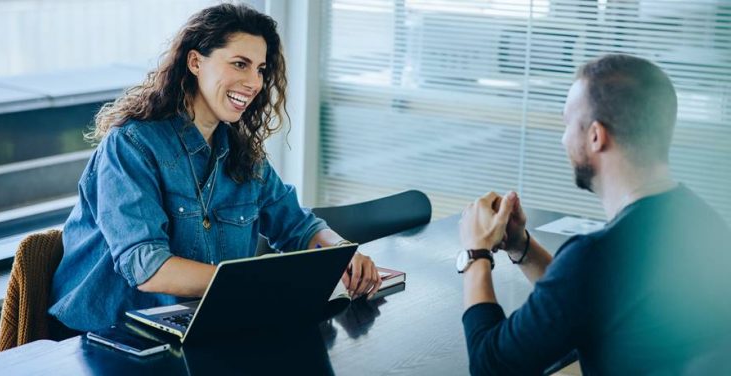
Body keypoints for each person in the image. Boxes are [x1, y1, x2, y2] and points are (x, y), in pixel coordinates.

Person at [49, 4, 381, 333]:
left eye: (261, 70)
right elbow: (147, 267)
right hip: (105, 335)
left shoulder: (243, 154)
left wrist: (341, 253)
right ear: (195, 62)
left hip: (201, 322)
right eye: (240, 64)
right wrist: (251, 286)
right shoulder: (132, 145)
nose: (254, 83)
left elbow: (298, 226)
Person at [457, 54, 731, 374]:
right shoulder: (705, 222)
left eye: (566, 123)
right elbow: (591, 299)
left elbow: (490, 367)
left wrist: (475, 255)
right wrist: (521, 246)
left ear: (596, 136)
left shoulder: (597, 255)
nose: (562, 139)